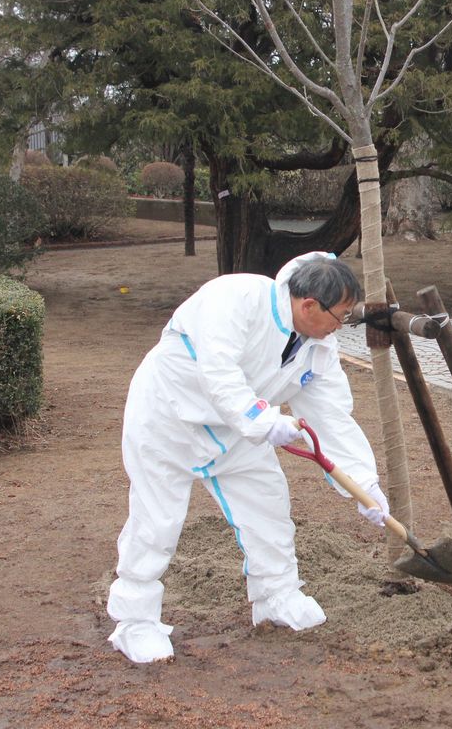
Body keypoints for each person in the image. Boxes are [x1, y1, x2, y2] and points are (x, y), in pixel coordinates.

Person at [106, 251, 390, 664]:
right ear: (310, 305)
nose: (338, 328)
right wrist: (263, 420)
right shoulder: (235, 297)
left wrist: (366, 485)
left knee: (269, 507)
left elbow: (332, 418)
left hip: (237, 434)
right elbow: (218, 373)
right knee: (156, 522)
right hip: (168, 418)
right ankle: (135, 622)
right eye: (339, 316)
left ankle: (276, 597)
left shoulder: (318, 350)